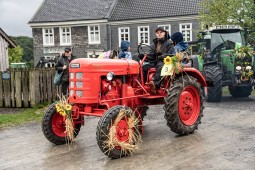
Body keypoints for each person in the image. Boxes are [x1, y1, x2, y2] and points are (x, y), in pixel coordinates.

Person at [139, 27, 173, 94]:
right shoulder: (154, 44)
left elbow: (171, 54)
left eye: (161, 32)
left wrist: (161, 57)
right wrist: (144, 57)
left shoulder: (169, 43)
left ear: (164, 33)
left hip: (165, 62)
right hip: (155, 62)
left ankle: (155, 85)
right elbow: (151, 56)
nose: (159, 34)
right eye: (157, 33)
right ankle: (142, 86)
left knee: (160, 66)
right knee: (143, 68)